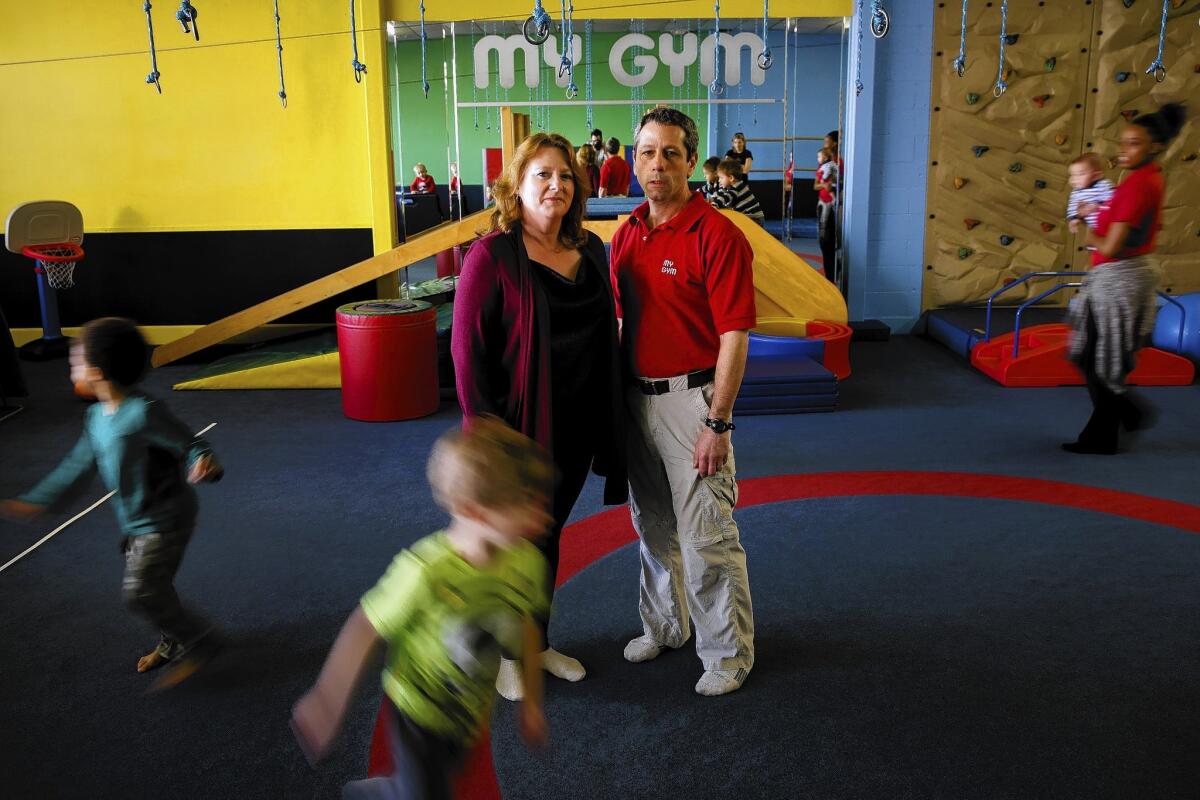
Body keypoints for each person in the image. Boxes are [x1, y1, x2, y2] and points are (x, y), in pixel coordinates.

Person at [291, 417, 553, 798]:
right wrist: (327, 700)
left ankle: (384, 792)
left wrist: (532, 700)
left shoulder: (527, 563)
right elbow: (366, 627)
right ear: (475, 510)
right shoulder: (424, 572)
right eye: (528, 506)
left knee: (434, 782)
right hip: (416, 712)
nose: (543, 518)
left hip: (469, 714)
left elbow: (526, 629)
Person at [452, 132, 627, 699]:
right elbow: (467, 354)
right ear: (517, 186)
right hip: (519, 430)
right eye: (542, 175)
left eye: (566, 176)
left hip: (576, 425)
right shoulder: (492, 256)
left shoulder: (592, 250)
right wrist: (488, 443)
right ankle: (506, 654)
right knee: (515, 544)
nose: (556, 185)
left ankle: (536, 642)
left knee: (546, 537)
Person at [610, 107, 756, 697]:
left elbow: (735, 336)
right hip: (635, 402)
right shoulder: (626, 235)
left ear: (691, 161)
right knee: (653, 528)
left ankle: (728, 654)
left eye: (670, 152)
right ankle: (666, 625)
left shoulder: (717, 235)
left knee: (706, 537)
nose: (657, 164)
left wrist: (717, 422)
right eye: (646, 152)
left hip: (693, 402)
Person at [1, 318, 223, 687]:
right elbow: (77, 464)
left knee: (141, 592)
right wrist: (37, 501)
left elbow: (193, 444)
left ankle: (202, 643)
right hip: (134, 520)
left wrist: (204, 464)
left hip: (166, 519)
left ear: (97, 371)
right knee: (157, 587)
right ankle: (172, 642)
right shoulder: (95, 417)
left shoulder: (144, 412)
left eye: (74, 362)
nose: (70, 369)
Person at [1063, 102, 1186, 455]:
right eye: (1123, 142)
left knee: (1097, 358)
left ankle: (1107, 432)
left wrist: (1085, 225)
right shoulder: (1144, 178)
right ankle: (1128, 413)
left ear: (1155, 147)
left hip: (1119, 275)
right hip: (1117, 274)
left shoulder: (1137, 187)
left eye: (1134, 143)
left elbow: (1112, 246)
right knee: (1088, 354)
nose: (1123, 149)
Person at [1066, 153, 1114, 249]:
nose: (1075, 179)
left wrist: (1097, 206)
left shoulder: (1103, 185)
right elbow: (1072, 207)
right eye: (1072, 175)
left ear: (1095, 176)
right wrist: (1074, 219)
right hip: (1094, 229)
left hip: (1110, 226)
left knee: (1111, 248)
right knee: (1094, 250)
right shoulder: (1075, 193)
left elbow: (1113, 201)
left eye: (1081, 174)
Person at [710, 157, 765, 223]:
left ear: (731, 178)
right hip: (750, 218)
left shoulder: (737, 188)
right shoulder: (731, 187)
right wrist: (712, 199)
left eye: (721, 178)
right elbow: (720, 194)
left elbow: (726, 197)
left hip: (754, 219)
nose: (719, 180)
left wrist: (714, 205)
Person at [815, 147, 839, 277]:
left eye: (819, 157)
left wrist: (825, 183)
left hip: (827, 201)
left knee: (825, 222)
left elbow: (825, 182)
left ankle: (824, 235)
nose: (818, 159)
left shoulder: (826, 167)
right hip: (828, 200)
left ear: (824, 157)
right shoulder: (831, 166)